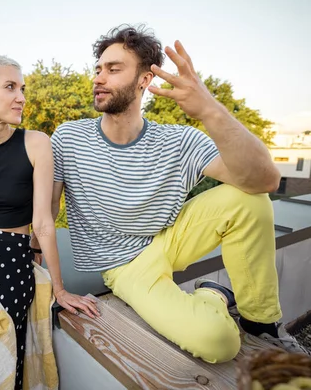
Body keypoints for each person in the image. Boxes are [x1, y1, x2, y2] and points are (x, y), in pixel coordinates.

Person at [32, 24, 308, 362]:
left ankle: (260, 321)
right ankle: (213, 294)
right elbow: (46, 208)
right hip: (126, 267)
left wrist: (209, 108)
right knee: (219, 343)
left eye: (113, 69)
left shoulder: (179, 141)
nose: (98, 78)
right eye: (98, 69)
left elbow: (265, 180)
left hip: (169, 237)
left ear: (145, 80)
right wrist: (35, 260)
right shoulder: (69, 138)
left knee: (250, 200)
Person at [0, 55, 100, 389]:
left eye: (23, 88)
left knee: (3, 365)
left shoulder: (35, 143)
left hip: (13, 267)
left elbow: (43, 222)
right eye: (10, 87)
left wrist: (59, 289)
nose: (22, 97)